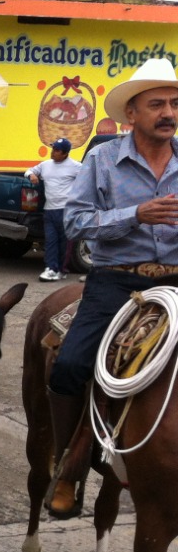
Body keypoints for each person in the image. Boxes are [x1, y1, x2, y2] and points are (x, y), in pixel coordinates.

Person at [44, 58, 178, 516]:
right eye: (156, 104)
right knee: (70, 364)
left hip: (177, 280)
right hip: (116, 280)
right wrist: (136, 216)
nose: (168, 113)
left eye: (174, 104)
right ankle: (67, 464)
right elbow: (76, 222)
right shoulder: (102, 157)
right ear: (132, 114)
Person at [25, 137, 82, 282]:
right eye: (53, 149)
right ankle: (51, 268)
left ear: (65, 153)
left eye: (57, 150)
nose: (53, 152)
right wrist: (31, 175)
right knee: (50, 240)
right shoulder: (45, 165)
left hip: (66, 210)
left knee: (64, 243)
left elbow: (88, 180)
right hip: (49, 210)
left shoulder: (76, 166)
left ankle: (62, 269)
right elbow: (29, 170)